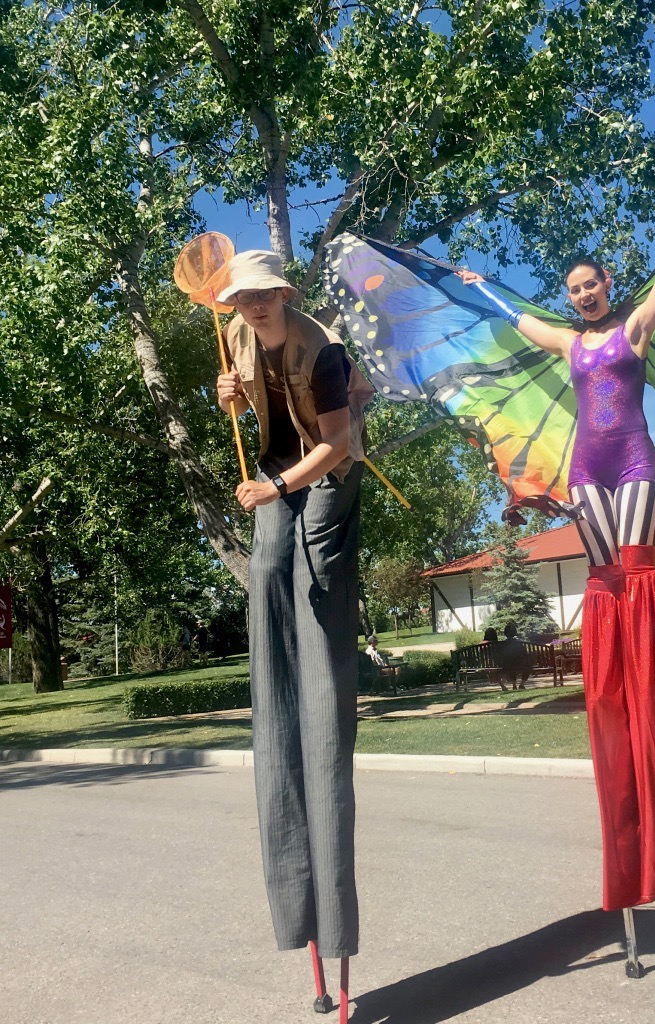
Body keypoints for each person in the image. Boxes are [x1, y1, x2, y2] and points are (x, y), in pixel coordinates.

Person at [457, 173, 655, 924]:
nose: (582, 296)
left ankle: (650, 678)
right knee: (605, 576)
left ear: (608, 284)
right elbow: (518, 320)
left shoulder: (632, 330)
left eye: (590, 285)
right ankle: (615, 677)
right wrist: (481, 286)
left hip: (634, 461)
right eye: (573, 290)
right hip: (587, 468)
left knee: (637, 571)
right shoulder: (570, 342)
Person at [215, 249, 374, 967]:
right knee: (268, 564)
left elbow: (336, 441)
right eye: (241, 298)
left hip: (328, 470)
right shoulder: (238, 336)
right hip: (278, 465)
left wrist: (276, 491)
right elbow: (250, 406)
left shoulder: (324, 352)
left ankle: (321, 669)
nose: (252, 306)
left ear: (283, 292)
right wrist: (229, 396)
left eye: (262, 295)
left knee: (313, 568)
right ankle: (280, 672)